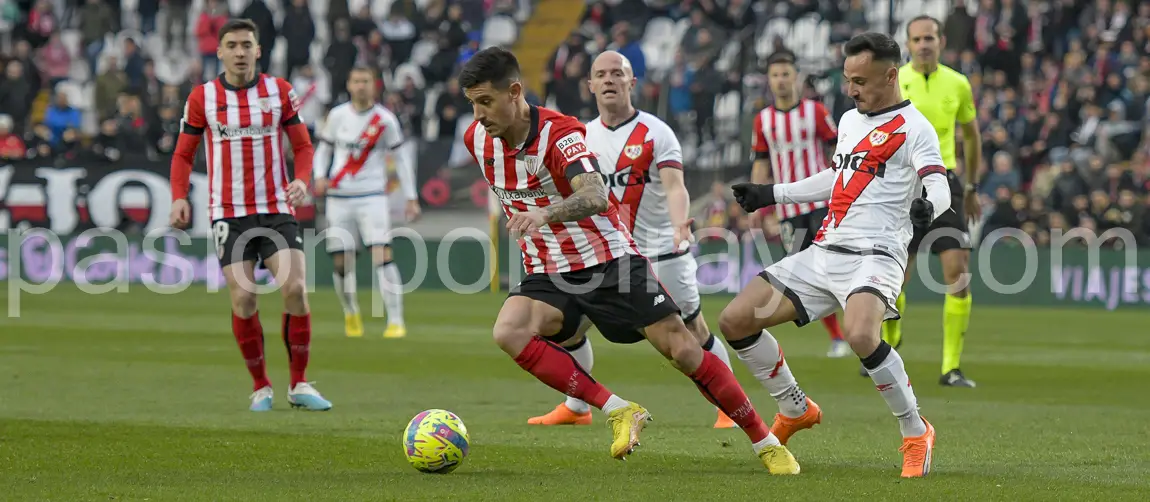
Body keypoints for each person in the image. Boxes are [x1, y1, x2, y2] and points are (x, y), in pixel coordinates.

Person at [461, 47, 799, 474]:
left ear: (515, 92)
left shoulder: (561, 133)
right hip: (549, 271)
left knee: (683, 348)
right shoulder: (476, 139)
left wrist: (544, 213)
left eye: (485, 102)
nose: (477, 115)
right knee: (508, 330)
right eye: (471, 103)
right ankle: (617, 408)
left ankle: (765, 441)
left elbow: (596, 194)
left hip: (608, 262)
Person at [723, 32, 946, 478]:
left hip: (877, 255)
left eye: (860, 81)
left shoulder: (915, 128)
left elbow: (938, 182)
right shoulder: (849, 120)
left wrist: (930, 206)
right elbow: (836, 176)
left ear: (890, 74)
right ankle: (794, 406)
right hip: (824, 251)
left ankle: (915, 430)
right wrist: (771, 194)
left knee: (861, 335)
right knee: (735, 320)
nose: (851, 89)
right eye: (847, 79)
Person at [524, 51, 737, 429]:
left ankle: (728, 405)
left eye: (617, 74)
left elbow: (675, 187)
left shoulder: (657, 132)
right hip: (604, 255)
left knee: (692, 330)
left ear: (632, 82)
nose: (609, 80)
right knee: (567, 330)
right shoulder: (580, 136)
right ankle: (576, 408)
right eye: (600, 74)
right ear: (589, 85)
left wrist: (678, 225)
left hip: (660, 251)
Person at [169, 19, 332, 412]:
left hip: (276, 208)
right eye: (232, 45)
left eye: (246, 45)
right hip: (229, 213)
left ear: (258, 50)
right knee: (243, 297)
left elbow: (303, 146)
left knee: (294, 290)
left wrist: (303, 179)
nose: (240, 52)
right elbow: (183, 153)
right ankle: (261, 386)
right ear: (220, 51)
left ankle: (299, 384)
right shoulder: (202, 98)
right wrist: (178, 196)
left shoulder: (279, 92)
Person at [866, 15, 981, 387]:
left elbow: (972, 136)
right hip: (902, 186)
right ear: (908, 44)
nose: (924, 44)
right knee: (896, 276)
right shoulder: (895, 81)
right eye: (917, 39)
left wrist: (973, 186)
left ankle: (951, 367)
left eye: (929, 37)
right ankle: (889, 342)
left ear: (941, 41)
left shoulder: (958, 83)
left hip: (944, 181)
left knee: (957, 272)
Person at [750, 49, 850, 359]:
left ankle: (856, 327)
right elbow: (762, 165)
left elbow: (839, 152)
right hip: (788, 211)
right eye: (775, 75)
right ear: (769, 80)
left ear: (797, 77)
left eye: (786, 74)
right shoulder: (763, 120)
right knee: (806, 274)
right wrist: (759, 208)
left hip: (823, 204)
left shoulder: (816, 112)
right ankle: (837, 337)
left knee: (835, 266)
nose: (781, 81)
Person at [314, 66, 421, 339]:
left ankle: (396, 321)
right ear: (349, 84)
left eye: (365, 81)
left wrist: (411, 197)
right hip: (339, 197)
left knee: (382, 255)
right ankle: (351, 312)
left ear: (374, 85)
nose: (361, 86)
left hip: (372, 196)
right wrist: (319, 177)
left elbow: (400, 159)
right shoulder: (337, 116)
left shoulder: (385, 120)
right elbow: (323, 150)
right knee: (341, 262)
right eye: (356, 81)